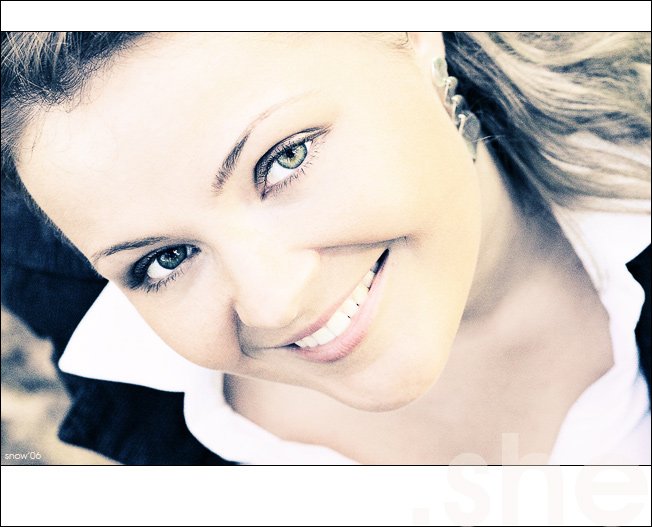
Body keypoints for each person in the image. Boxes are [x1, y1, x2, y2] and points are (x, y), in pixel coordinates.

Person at [1, 31, 649, 465]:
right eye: (165, 259)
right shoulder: (66, 301)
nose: (272, 304)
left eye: (285, 158)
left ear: (414, 37)